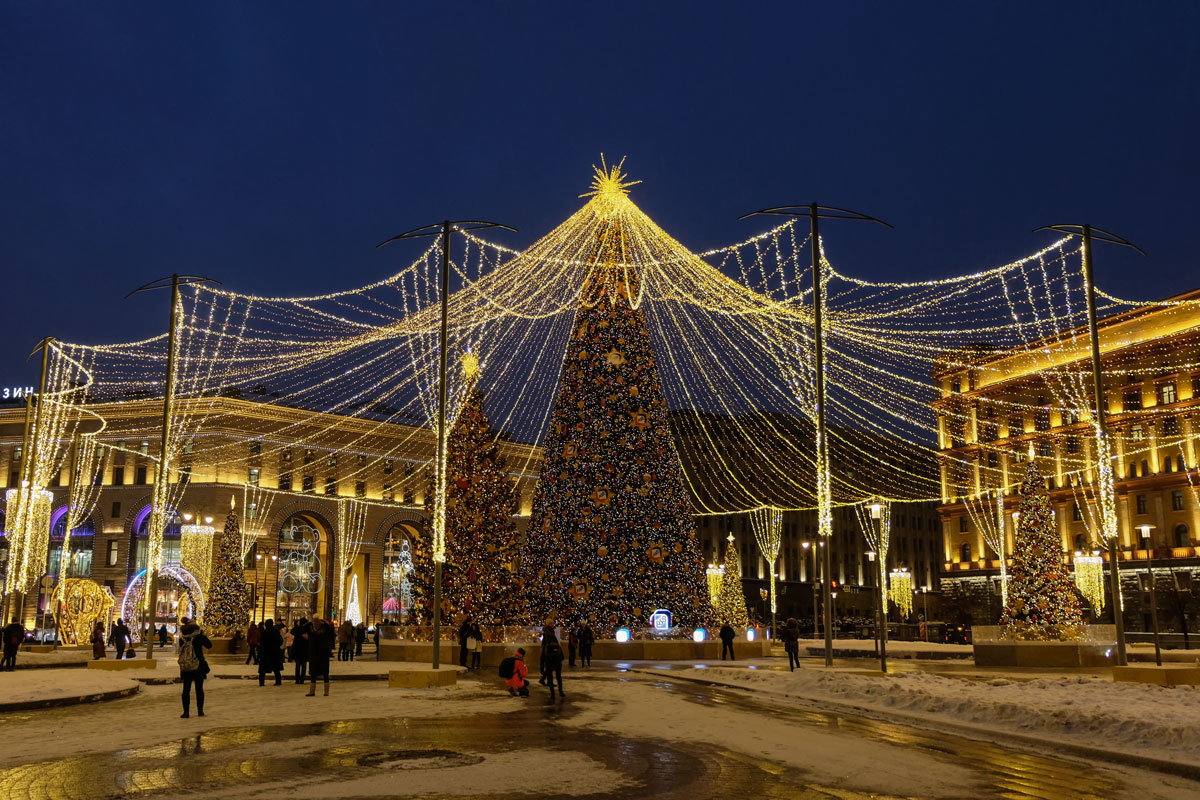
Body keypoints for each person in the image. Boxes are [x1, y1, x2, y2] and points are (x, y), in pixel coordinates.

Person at [177, 618, 212, 718]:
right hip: (198, 666)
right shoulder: (198, 637)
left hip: (186, 667)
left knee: (186, 690)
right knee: (199, 689)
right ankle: (200, 711)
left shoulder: (182, 638)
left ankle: (186, 712)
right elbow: (209, 645)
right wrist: (202, 635)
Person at [306, 617, 335, 697]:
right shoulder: (316, 631)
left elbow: (330, 630)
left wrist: (324, 622)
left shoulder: (318, 631)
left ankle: (315, 691)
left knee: (319, 673)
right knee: (318, 673)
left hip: (320, 654)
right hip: (319, 654)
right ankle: (324, 691)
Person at [541, 628, 565, 700]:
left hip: (549, 664)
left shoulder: (546, 646)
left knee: (550, 678)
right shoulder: (557, 644)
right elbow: (562, 657)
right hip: (557, 663)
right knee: (558, 677)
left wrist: (542, 668)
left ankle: (552, 694)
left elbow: (542, 658)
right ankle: (561, 691)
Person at [258, 619, 283, 686]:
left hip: (265, 652)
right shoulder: (276, 631)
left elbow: (261, 642)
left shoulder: (264, 632)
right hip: (274, 652)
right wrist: (277, 646)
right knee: (276, 669)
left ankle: (261, 682)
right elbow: (280, 640)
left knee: (262, 670)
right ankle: (278, 681)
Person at [290, 618, 310, 684]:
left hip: (298, 650)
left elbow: (292, 631)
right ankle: (301, 680)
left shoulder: (298, 629)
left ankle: (298, 679)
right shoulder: (305, 629)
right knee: (302, 666)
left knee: (298, 666)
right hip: (303, 650)